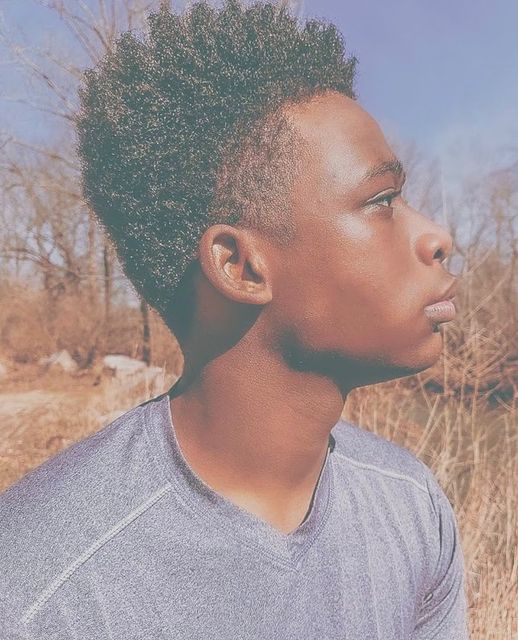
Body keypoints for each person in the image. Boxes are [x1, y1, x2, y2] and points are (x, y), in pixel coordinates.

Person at [0, 1, 470, 638]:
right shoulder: (41, 592)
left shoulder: (412, 508)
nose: (437, 237)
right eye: (381, 200)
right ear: (239, 266)